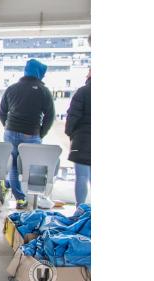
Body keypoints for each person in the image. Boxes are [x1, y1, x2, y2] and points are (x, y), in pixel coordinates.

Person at [0, 59, 55, 209]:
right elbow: (50, 116)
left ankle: (15, 191)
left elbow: (2, 112)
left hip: (10, 132)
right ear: (39, 73)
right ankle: (21, 196)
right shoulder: (44, 91)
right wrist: (41, 133)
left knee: (14, 165)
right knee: (30, 167)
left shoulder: (12, 88)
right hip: (32, 134)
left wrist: (7, 126)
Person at [65, 69, 91, 205]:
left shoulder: (82, 92)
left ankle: (79, 209)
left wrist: (71, 133)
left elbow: (72, 115)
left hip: (82, 141)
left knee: (81, 177)